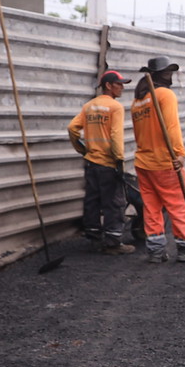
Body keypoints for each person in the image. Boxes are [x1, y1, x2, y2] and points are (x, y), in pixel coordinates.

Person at [131, 57, 185, 264]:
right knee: (180, 203)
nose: (170, 76)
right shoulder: (165, 95)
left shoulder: (138, 101)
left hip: (143, 162)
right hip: (165, 161)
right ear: (157, 75)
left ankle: (155, 250)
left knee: (151, 207)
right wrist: (179, 153)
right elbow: (171, 127)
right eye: (167, 72)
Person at [68, 69, 132, 254]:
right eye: (119, 84)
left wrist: (82, 149)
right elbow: (116, 136)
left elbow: (72, 128)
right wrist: (119, 160)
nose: (121, 88)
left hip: (91, 163)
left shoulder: (89, 106)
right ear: (108, 85)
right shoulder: (115, 107)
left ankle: (94, 238)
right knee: (114, 203)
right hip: (108, 164)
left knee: (93, 201)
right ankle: (112, 243)